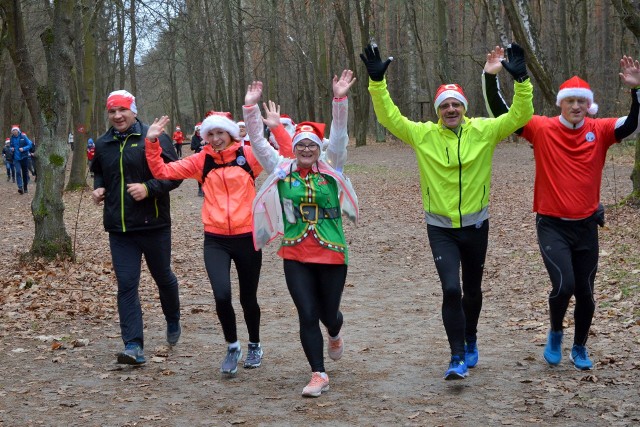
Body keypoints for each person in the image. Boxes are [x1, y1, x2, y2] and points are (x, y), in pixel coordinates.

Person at [360, 42, 533, 380]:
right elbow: (389, 117)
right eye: (445, 105)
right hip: (440, 227)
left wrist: (522, 81)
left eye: (456, 104)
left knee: (473, 290)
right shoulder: (422, 135)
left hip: (477, 225)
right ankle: (456, 357)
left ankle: (471, 338)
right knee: (452, 289)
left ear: (464, 108)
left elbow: (519, 116)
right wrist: (377, 84)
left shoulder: (484, 131)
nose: (451, 109)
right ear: (438, 110)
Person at [482, 51, 640, 370]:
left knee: (587, 294)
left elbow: (632, 125)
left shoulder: (601, 130)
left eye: (582, 101)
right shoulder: (541, 129)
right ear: (561, 103)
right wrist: (490, 77)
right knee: (564, 285)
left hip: (586, 227)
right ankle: (555, 332)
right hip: (552, 225)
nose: (577, 106)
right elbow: (504, 113)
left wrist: (636, 92)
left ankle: (579, 347)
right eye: (571, 101)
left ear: (588, 105)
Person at [145, 109, 292, 376]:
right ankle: (232, 346)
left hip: (247, 236)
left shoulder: (248, 156)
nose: (215, 138)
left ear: (231, 133)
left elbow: (285, 157)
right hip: (215, 239)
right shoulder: (201, 161)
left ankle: (255, 344)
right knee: (222, 295)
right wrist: (152, 142)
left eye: (220, 133)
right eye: (210, 134)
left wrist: (278, 129)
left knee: (248, 298)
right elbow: (162, 171)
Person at [243, 70, 358, 397]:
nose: (306, 149)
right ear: (294, 148)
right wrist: (250, 110)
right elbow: (258, 143)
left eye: (311, 145)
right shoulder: (281, 169)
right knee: (307, 313)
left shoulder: (333, 168)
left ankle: (335, 330)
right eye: (300, 144)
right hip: (295, 254)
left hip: (332, 252)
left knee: (327, 314)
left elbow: (338, 136)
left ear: (318, 149)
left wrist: (339, 100)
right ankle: (318, 373)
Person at [90, 89, 182, 365]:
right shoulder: (104, 142)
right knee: (127, 285)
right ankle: (133, 345)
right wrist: (99, 188)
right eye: (112, 111)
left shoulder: (152, 137)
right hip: (120, 229)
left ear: (134, 111)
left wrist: (149, 188)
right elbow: (99, 171)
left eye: (122, 110)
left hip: (153, 225)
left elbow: (176, 174)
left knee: (163, 277)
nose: (117, 116)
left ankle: (173, 318)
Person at [9, 125, 33, 194]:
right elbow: (10, 147)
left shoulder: (23, 137)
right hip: (16, 159)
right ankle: (20, 187)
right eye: (13, 130)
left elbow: (30, 144)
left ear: (18, 130)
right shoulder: (11, 138)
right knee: (18, 172)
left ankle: (25, 187)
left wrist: (24, 149)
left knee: (25, 173)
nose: (14, 131)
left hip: (24, 157)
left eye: (15, 130)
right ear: (12, 132)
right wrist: (11, 149)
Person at [190, 122, 205, 196]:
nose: (199, 132)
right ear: (196, 131)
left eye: (200, 130)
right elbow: (192, 147)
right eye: (198, 130)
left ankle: (205, 188)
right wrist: (200, 144)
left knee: (206, 172)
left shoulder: (206, 136)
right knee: (199, 173)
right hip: (197, 156)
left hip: (206, 156)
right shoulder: (194, 138)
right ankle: (200, 188)